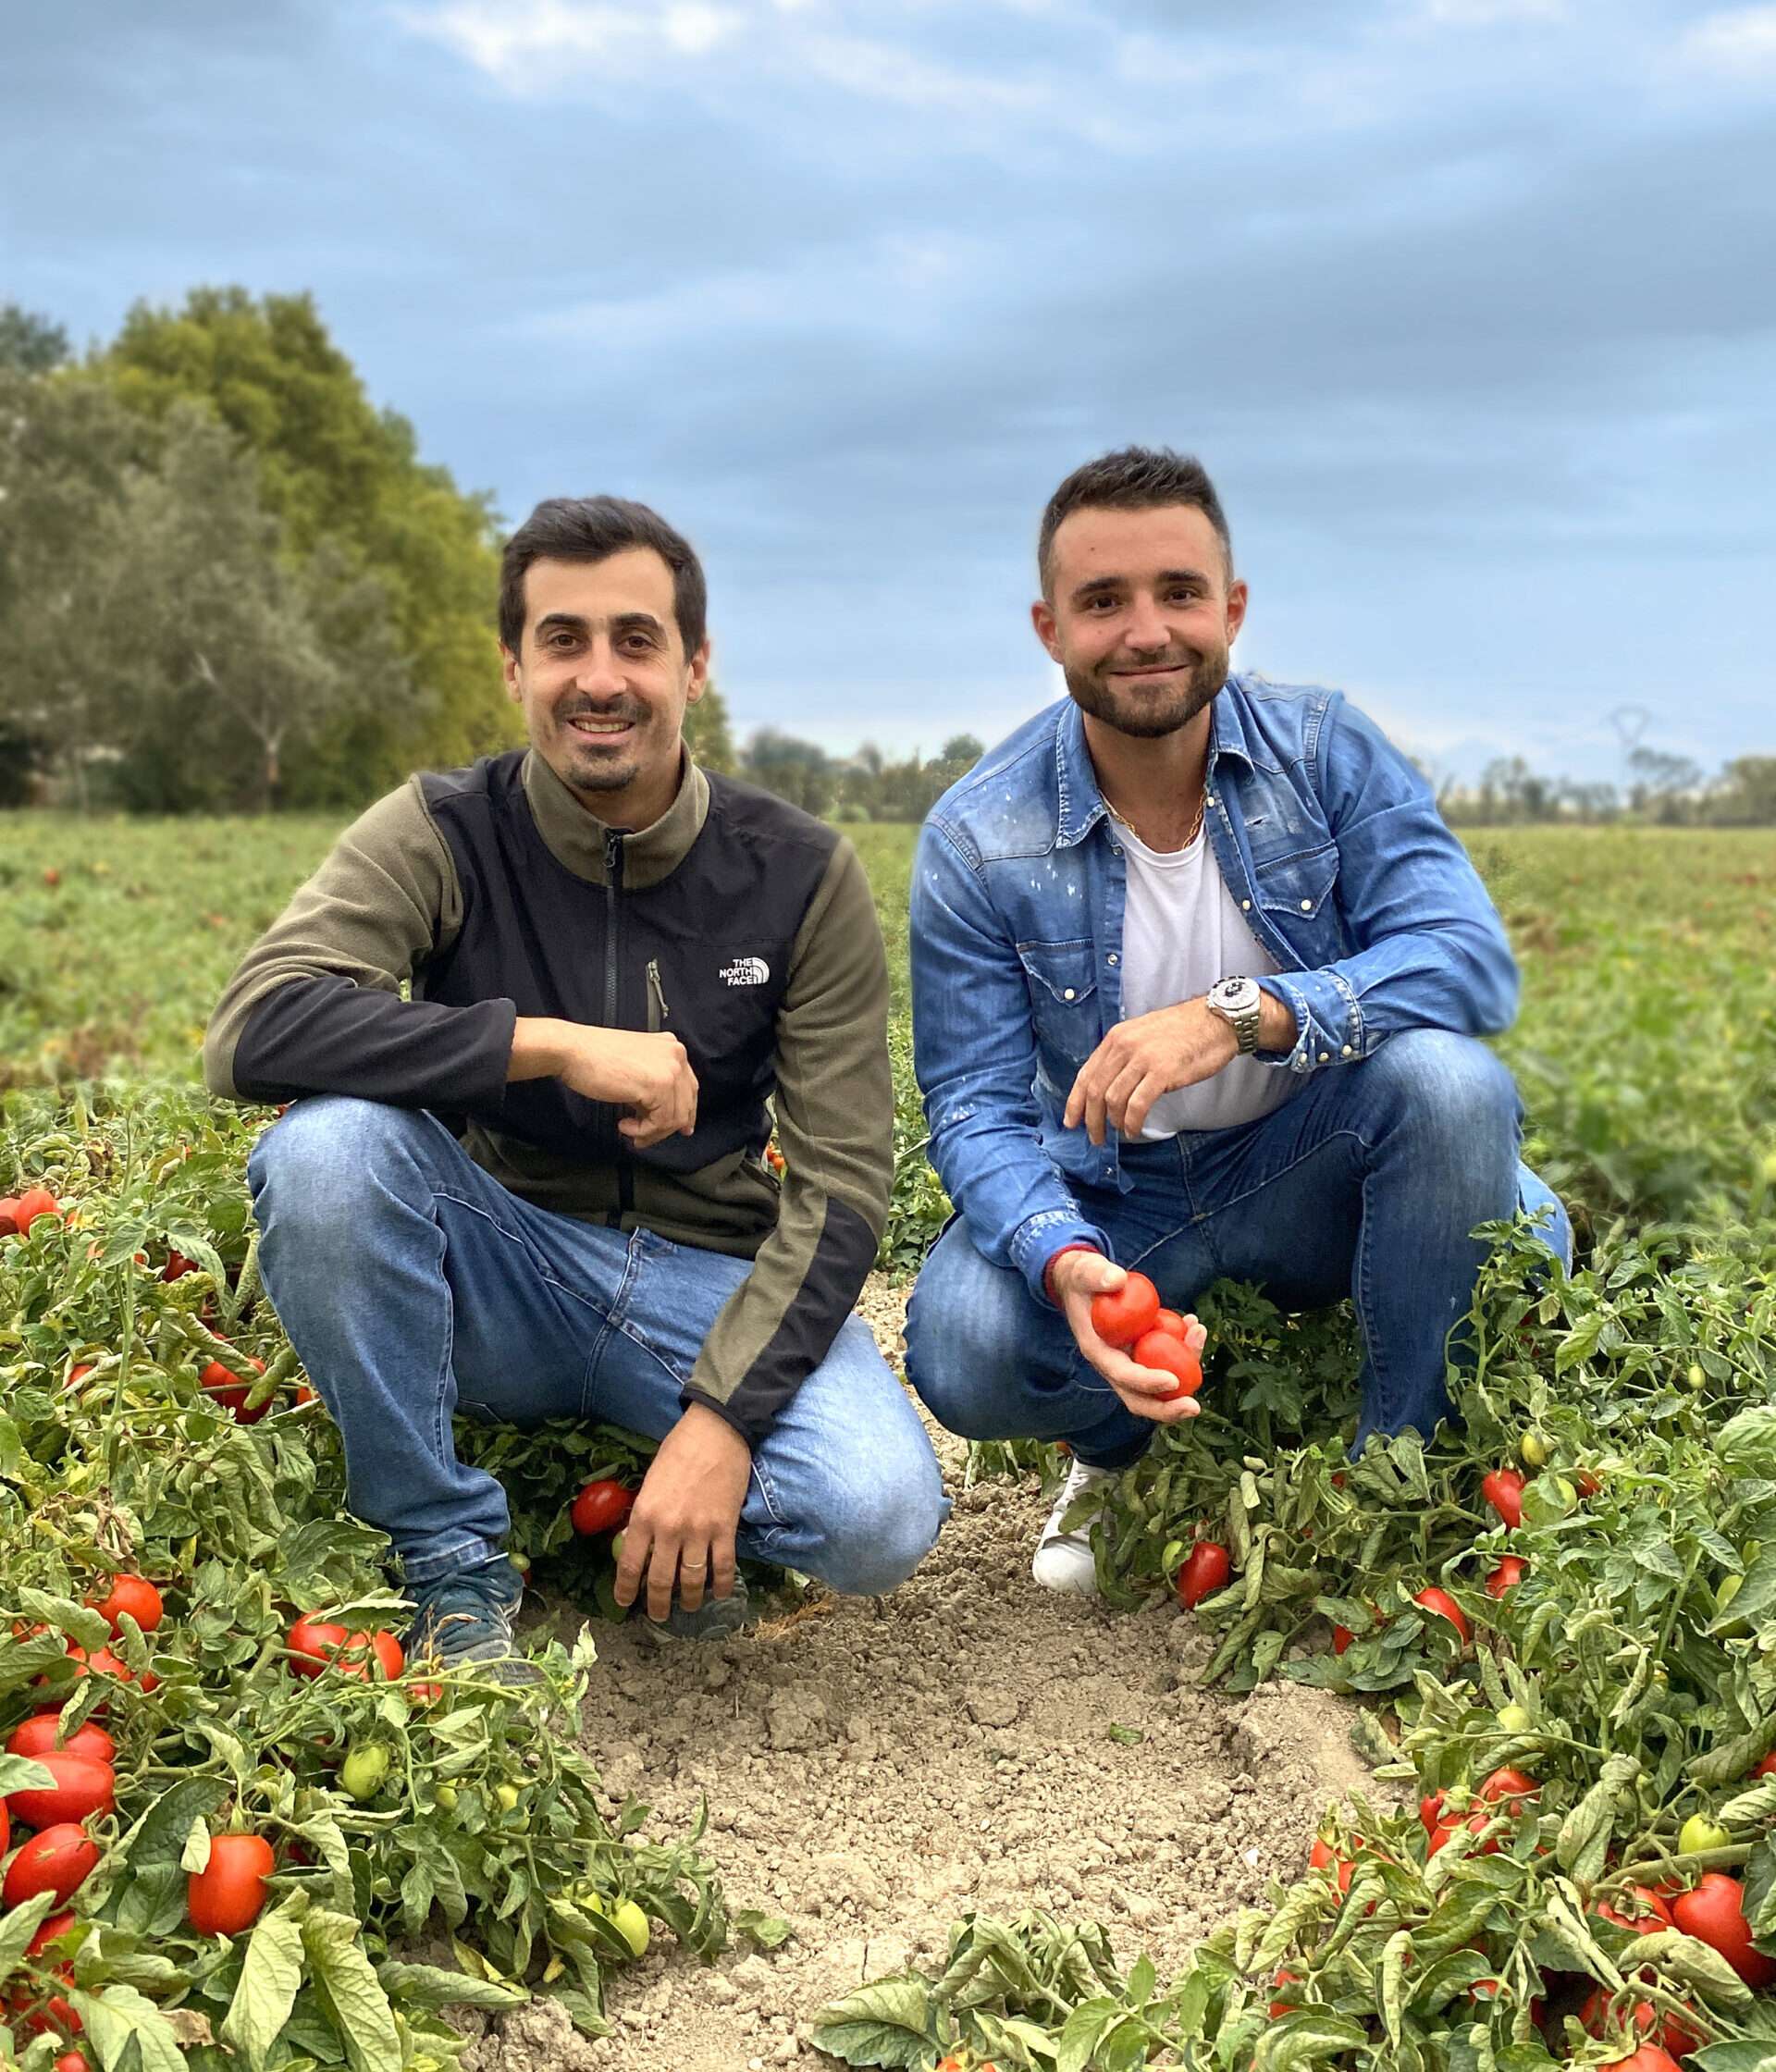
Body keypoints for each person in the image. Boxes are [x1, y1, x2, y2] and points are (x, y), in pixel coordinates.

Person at [205, 495, 947, 1673]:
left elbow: (847, 1186)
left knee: (879, 1514)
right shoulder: (443, 830)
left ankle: (670, 1486)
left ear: (694, 665)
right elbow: (254, 1026)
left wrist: (722, 1420)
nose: (600, 677)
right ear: (515, 665)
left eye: (636, 640)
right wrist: (546, 1044)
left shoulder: (800, 873)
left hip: (710, 1282)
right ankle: (449, 1552)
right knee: (327, 1153)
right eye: (564, 640)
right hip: (500, 1265)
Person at [903, 447, 1569, 1595]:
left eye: (1178, 592)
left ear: (1233, 608)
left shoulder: (1323, 751)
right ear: (1049, 627)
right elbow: (971, 1105)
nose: (1146, 629)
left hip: (1313, 1159)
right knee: (961, 1338)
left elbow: (1467, 964)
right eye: (1102, 601)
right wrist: (1065, 1261)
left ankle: (1396, 1463)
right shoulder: (976, 836)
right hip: (1119, 1200)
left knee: (1456, 1088)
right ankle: (1115, 1449)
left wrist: (1247, 1013)